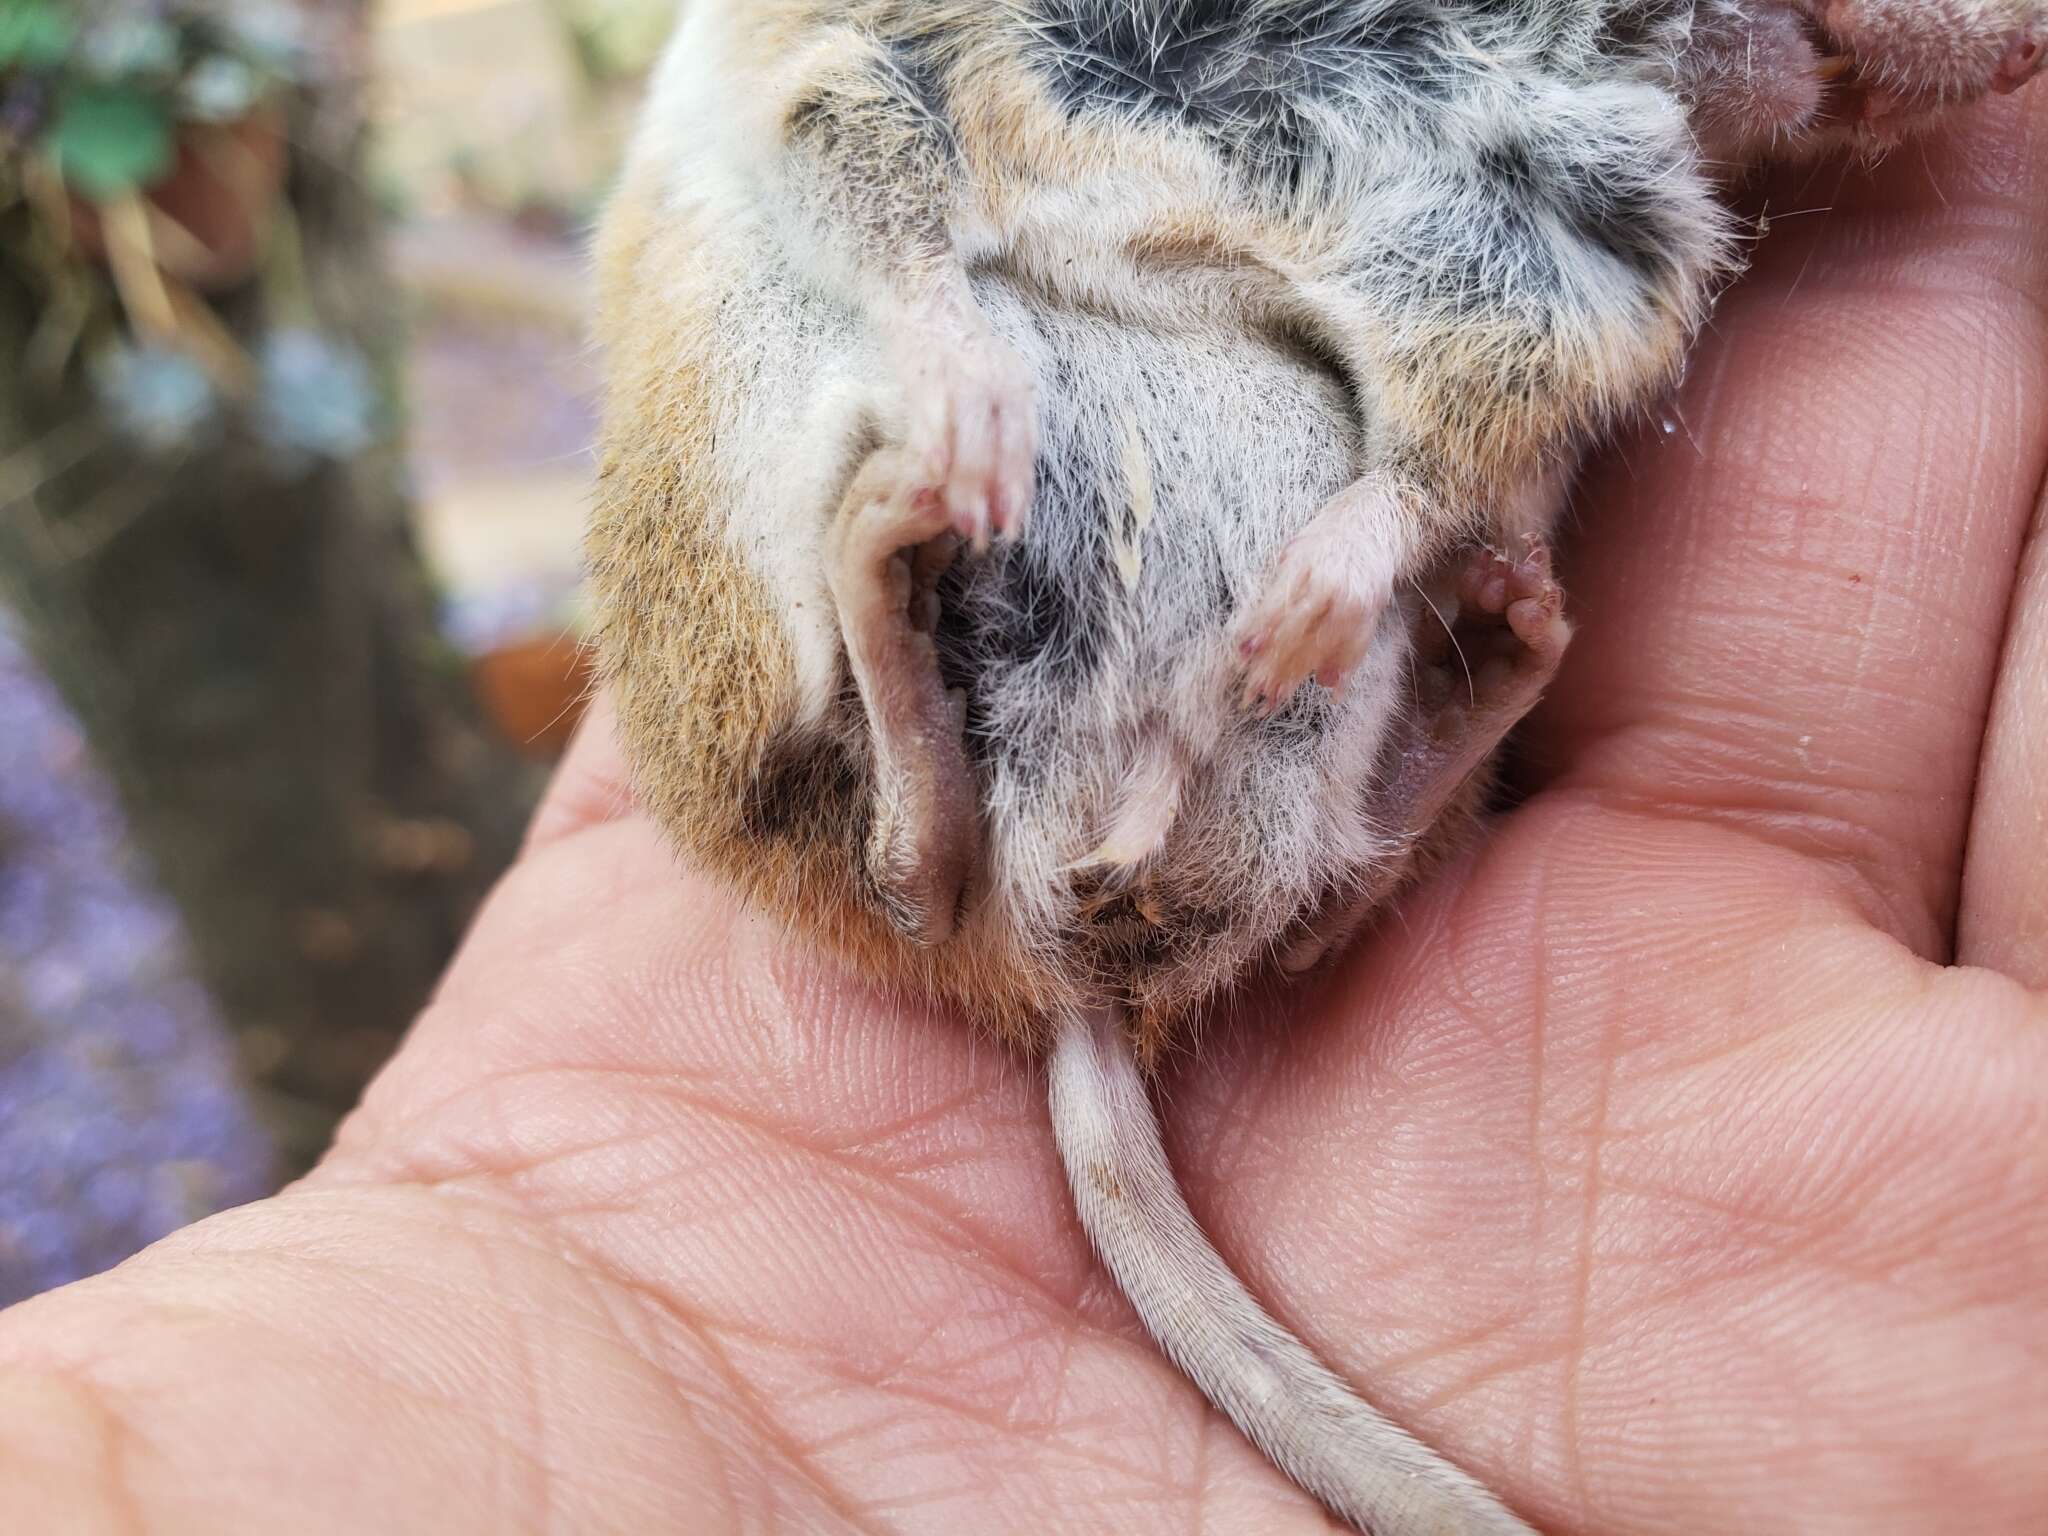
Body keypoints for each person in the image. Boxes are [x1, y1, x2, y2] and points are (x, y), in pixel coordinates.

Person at [2, 94, 2043, 1536]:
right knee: (1020, 793)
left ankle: (1019, 746)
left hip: (1149, 792)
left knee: (1163, 812)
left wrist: (1400, 528)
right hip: (1018, 757)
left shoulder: (1553, 202)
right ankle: (953, 723)